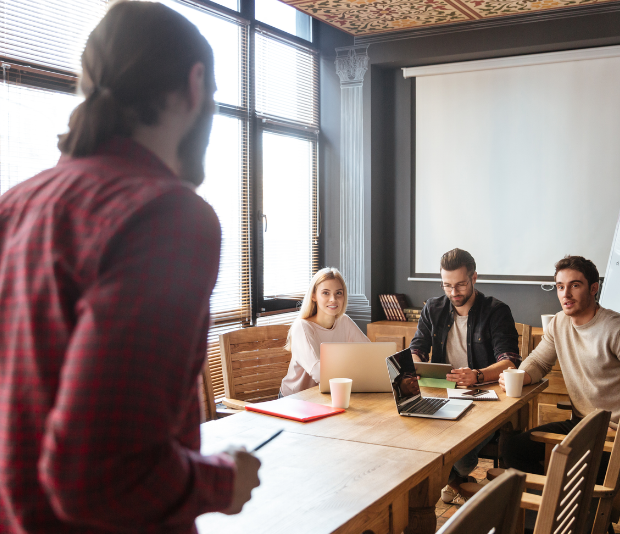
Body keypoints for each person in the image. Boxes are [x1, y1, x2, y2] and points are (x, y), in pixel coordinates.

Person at [0, 3, 260, 532]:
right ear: (196, 84)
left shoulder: (14, 205)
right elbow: (99, 475)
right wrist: (222, 481)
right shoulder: (166, 215)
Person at [500, 255, 620, 478]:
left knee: (566, 470)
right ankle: (545, 508)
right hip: (581, 426)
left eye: (575, 285)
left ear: (593, 289)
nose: (565, 294)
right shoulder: (559, 323)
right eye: (560, 287)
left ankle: (560, 508)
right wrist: (520, 375)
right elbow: (539, 362)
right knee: (513, 449)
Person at [409, 248, 521, 505]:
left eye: (460, 284)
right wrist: (416, 366)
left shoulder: (496, 311)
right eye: (447, 285)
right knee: (411, 433)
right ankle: (455, 482)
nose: (454, 292)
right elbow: (416, 349)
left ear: (474, 278)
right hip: (439, 392)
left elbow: (510, 361)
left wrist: (478, 376)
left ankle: (452, 478)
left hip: (483, 398)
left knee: (458, 446)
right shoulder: (433, 308)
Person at [280, 267, 370, 397]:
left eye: (338, 293)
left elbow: (370, 353)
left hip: (326, 395)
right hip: (295, 400)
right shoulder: (302, 327)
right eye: (326, 293)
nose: (333, 299)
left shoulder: (343, 321)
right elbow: (319, 372)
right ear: (314, 296)